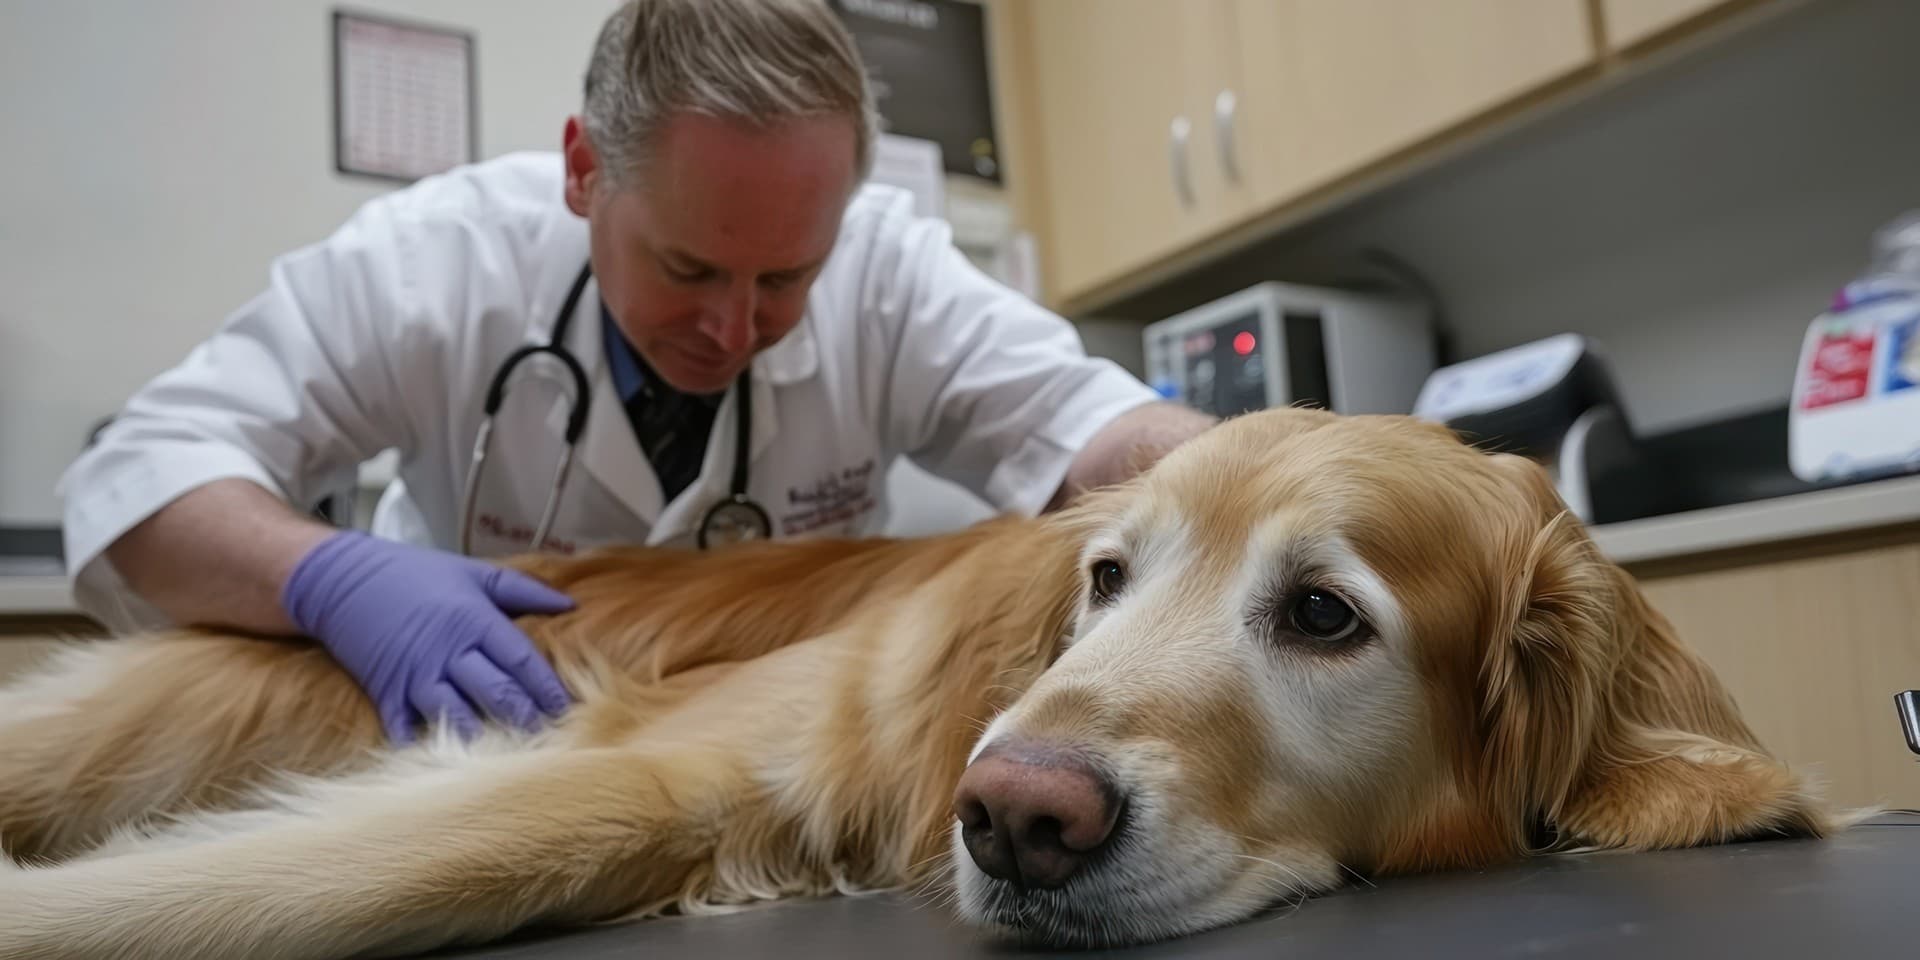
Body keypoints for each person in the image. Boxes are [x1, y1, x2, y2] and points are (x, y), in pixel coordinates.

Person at [57, 0, 1216, 744]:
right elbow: (143, 476)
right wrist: (329, 580)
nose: (731, 326)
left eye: (784, 281)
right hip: (466, 738)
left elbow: (1105, 436)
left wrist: (1246, 483)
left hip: (749, 754)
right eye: (689, 266)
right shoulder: (437, 261)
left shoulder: (890, 275)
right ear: (582, 170)